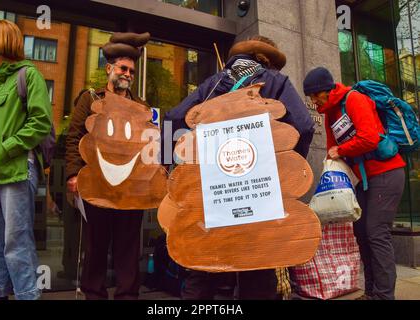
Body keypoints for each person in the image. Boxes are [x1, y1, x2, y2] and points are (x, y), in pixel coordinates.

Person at [162, 35, 315, 300]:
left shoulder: (214, 83)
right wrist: (286, 173)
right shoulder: (275, 81)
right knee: (256, 267)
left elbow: (171, 119)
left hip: (215, 194)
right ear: (266, 59)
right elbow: (304, 125)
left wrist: (166, 165)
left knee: (204, 267)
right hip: (257, 194)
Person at [303, 67, 406, 300]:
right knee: (361, 233)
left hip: (386, 173)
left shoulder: (354, 99)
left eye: (314, 95)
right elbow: (334, 153)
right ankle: (371, 292)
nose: (312, 101)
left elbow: (368, 138)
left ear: (326, 90)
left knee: (377, 233)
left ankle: (384, 296)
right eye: (310, 97)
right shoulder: (329, 113)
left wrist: (340, 149)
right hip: (363, 180)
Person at [0, 20, 52, 300]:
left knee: (15, 242)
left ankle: (27, 295)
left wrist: (6, 149)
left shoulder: (28, 75)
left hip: (16, 170)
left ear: (1, 40)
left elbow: (41, 122)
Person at [65, 32, 150, 300]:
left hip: (130, 191)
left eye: (132, 71)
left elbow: (148, 147)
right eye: (123, 68)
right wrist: (72, 174)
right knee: (96, 246)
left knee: (127, 248)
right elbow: (74, 137)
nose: (128, 74)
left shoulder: (141, 107)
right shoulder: (89, 99)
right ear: (109, 69)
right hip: (97, 187)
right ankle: (94, 293)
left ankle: (127, 295)